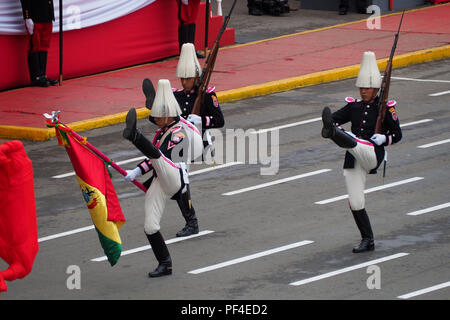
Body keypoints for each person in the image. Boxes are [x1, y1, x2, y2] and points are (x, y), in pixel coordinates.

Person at [320, 51, 402, 253]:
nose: (363, 91)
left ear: (375, 88)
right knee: (356, 201)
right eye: (361, 88)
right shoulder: (354, 107)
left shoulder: (385, 108)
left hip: (372, 155)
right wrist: (332, 125)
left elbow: (398, 134)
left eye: (366, 88)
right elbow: (333, 118)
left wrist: (384, 138)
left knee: (355, 141)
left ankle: (338, 136)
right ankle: (368, 239)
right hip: (354, 158)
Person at [123, 79, 203, 277]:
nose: (155, 119)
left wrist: (139, 170)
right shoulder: (162, 131)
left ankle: (135, 136)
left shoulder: (179, 133)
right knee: (150, 226)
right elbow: (153, 158)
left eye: (159, 116)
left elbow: (161, 157)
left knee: (159, 158)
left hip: (174, 177)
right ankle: (165, 263)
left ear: (167, 116)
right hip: (160, 179)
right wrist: (136, 171)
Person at [171, 42, 225, 237]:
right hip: (178, 145)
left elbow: (220, 120)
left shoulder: (207, 95)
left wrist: (201, 120)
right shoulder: (175, 96)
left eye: (187, 78)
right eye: (182, 78)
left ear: (196, 77)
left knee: (181, 181)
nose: (184, 82)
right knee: (173, 180)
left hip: (197, 144)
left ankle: (192, 222)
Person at [20, 0, 58, 87]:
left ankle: (42, 75)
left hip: (47, 16)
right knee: (35, 45)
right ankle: (36, 77)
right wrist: (27, 17)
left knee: (44, 46)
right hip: (35, 16)